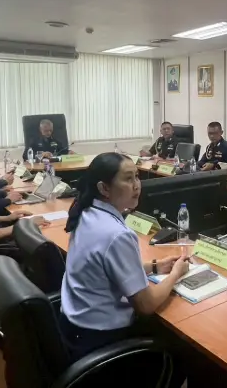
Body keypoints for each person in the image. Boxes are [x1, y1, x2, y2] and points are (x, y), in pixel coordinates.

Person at [60, 153, 190, 360]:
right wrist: (175, 274)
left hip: (73, 328)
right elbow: (146, 305)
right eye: (128, 179)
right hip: (100, 340)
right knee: (181, 346)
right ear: (104, 188)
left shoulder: (87, 213)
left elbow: (106, 267)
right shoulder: (116, 234)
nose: (137, 185)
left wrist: (154, 267)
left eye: (137, 176)